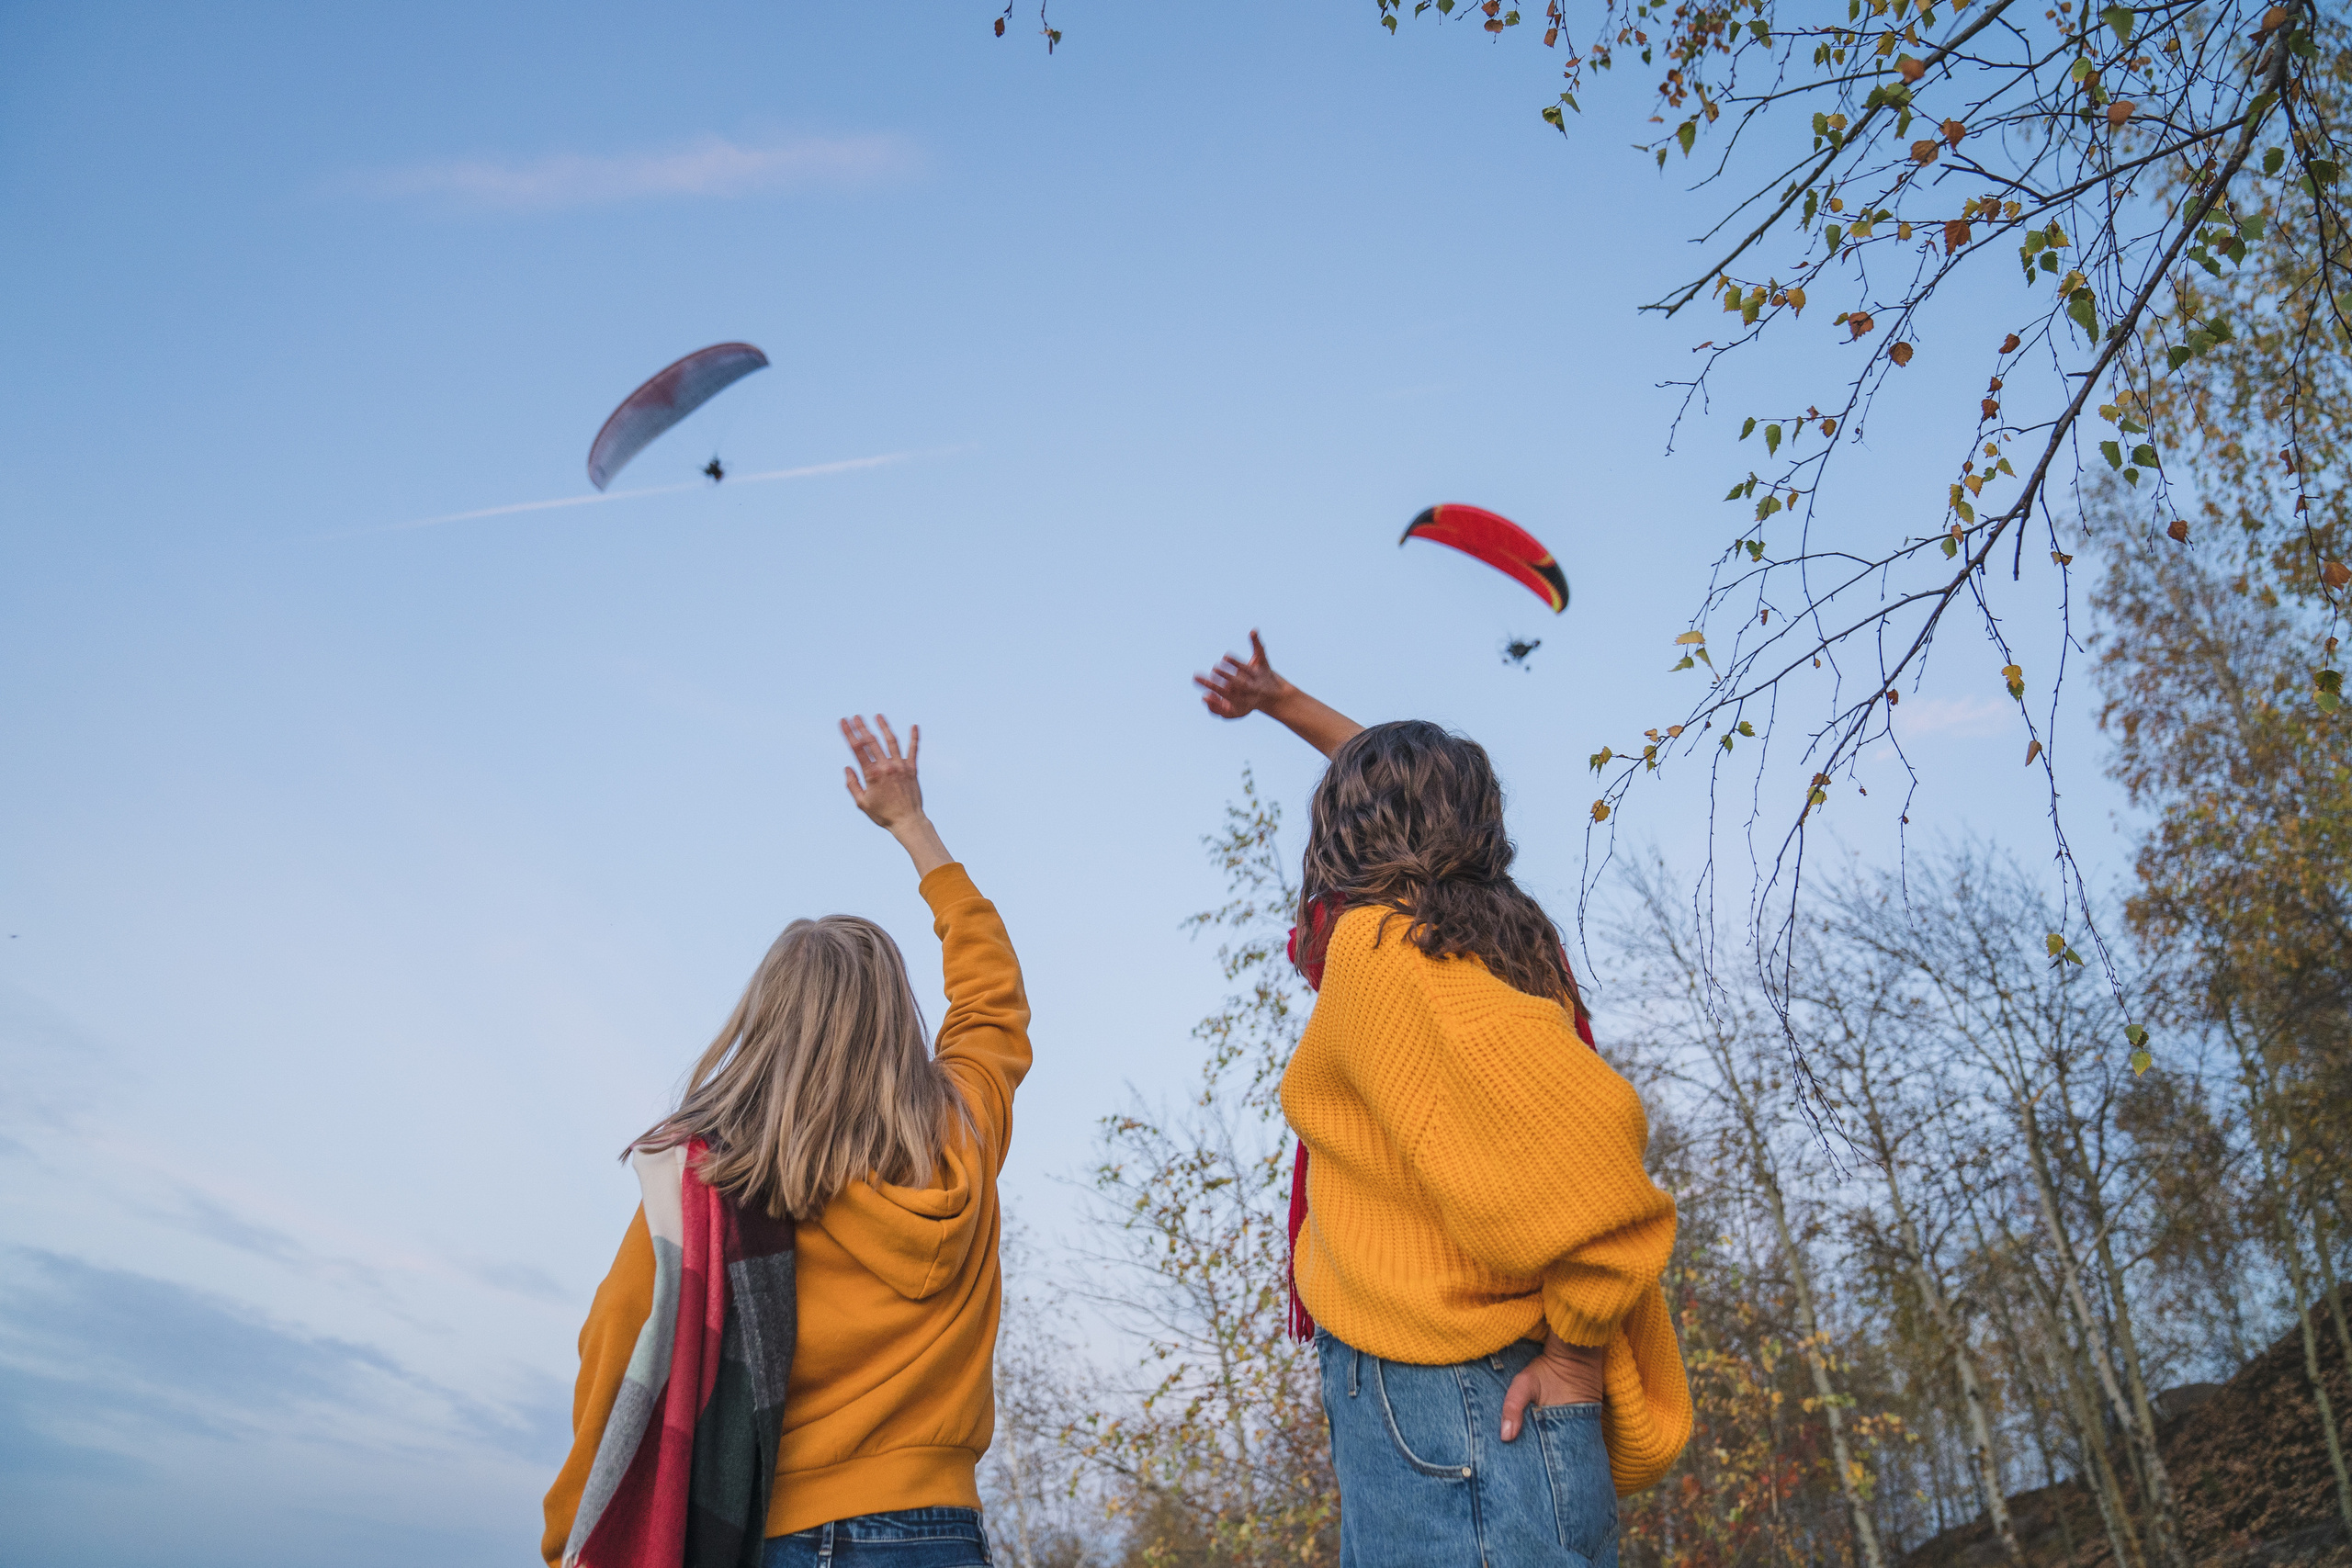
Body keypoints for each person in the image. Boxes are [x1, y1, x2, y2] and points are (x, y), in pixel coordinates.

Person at [1196, 632, 1691, 1568]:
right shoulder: (1503, 943)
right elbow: (1411, 797)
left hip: (1451, 1391)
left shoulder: (1383, 951)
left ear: (1340, 837)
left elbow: (1597, 1148)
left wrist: (1576, 1349)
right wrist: (1285, 702)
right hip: (1481, 1380)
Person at [542, 715, 1027, 1568]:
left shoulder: (718, 1178)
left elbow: (619, 1348)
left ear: (766, 1026)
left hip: (784, 1537)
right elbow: (990, 993)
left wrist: (568, 1536)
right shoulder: (965, 1132)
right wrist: (914, 827)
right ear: (896, 1018)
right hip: (944, 1531)